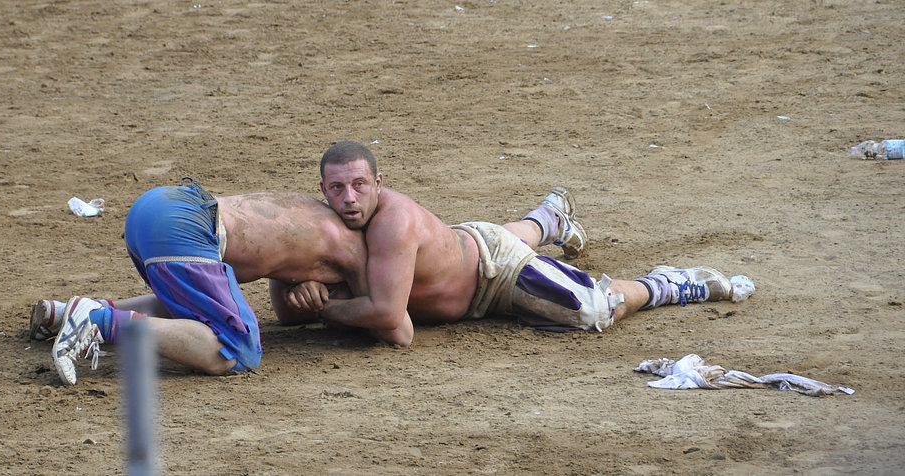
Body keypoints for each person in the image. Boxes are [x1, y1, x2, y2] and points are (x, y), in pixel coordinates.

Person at [274, 140, 745, 336]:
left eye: (360, 185)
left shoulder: (393, 223)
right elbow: (285, 313)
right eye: (337, 188)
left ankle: (666, 283)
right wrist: (293, 289)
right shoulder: (324, 222)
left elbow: (387, 315)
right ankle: (549, 219)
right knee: (477, 238)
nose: (349, 197)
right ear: (323, 191)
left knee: (593, 310)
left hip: (493, 274)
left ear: (379, 183)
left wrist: (325, 306)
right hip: (465, 246)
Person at [39, 178, 400, 385]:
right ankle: (98, 322)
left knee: (195, 304)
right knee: (237, 349)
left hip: (157, 205)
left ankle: (64, 314)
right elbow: (396, 326)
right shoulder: (354, 248)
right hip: (187, 228)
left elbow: (285, 304)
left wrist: (305, 291)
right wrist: (333, 309)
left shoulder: (311, 209)